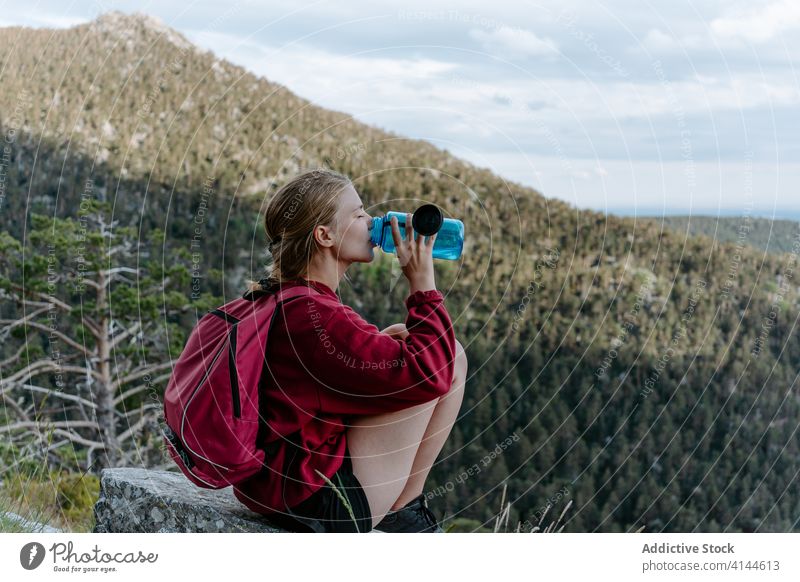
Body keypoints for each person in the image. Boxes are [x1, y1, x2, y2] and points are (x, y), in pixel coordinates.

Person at [232, 168, 468, 533]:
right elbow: (432, 374)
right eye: (358, 214)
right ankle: (404, 510)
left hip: (276, 485)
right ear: (324, 235)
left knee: (407, 340)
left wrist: (390, 347)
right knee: (449, 355)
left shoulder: (286, 298)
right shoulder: (316, 317)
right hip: (322, 502)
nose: (372, 221)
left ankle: (404, 508)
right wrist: (422, 284)